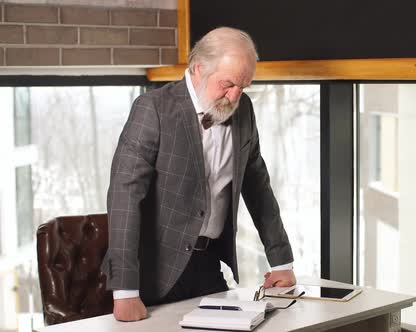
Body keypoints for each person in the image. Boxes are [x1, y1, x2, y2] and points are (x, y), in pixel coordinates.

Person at [100, 27, 296, 322]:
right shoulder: (153, 109)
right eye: (227, 84)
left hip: (207, 265)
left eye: (243, 87)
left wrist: (282, 260)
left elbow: (258, 186)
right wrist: (126, 291)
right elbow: (124, 197)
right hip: (152, 272)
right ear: (199, 68)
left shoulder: (243, 111)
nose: (234, 96)